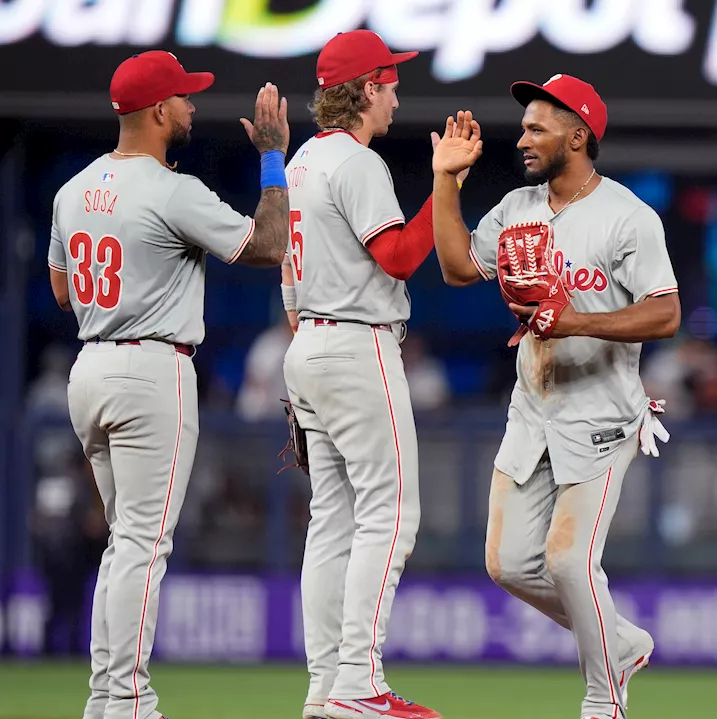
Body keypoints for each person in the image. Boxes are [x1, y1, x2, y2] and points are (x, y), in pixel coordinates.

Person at [47, 50, 289, 719]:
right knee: (143, 546)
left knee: (125, 542)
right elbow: (269, 244)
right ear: (156, 111)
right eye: (182, 98)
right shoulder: (172, 189)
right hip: (151, 369)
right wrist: (273, 157)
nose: (190, 107)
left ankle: (105, 698)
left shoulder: (73, 189)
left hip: (90, 368)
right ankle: (125, 700)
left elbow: (63, 293)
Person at [431, 75, 680, 719]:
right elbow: (459, 269)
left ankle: (604, 699)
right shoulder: (516, 207)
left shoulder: (628, 216)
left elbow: (667, 314)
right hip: (533, 411)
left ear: (579, 135)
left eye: (537, 127)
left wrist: (578, 321)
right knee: (510, 565)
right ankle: (619, 643)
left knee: (569, 560)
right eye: (524, 127)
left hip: (604, 413)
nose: (523, 138)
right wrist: (444, 181)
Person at [280, 30, 454, 719]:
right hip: (356, 342)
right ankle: (359, 681)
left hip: (310, 341)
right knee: (392, 513)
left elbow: (289, 283)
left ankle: (326, 685)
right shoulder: (354, 162)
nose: (396, 94)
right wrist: (444, 181)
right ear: (365, 91)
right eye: (390, 82)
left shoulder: (298, 163)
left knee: (333, 521)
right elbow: (401, 257)